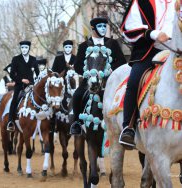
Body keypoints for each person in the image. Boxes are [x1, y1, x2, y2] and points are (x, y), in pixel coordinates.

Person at [119, 0, 175, 149]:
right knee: (134, 82)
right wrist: (154, 34)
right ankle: (128, 127)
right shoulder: (142, 2)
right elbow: (129, 28)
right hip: (150, 51)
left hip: (177, 51)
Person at [70, 17, 126, 135]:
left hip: (110, 81)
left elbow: (121, 61)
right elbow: (77, 66)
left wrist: (110, 70)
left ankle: (127, 124)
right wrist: (88, 72)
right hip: (89, 82)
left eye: (105, 26)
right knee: (77, 95)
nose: (103, 29)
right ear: (93, 28)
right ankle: (77, 123)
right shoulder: (84, 45)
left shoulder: (113, 43)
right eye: (100, 26)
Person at [7, 40, 39, 132]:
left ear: (29, 48)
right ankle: (10, 121)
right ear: (20, 48)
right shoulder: (15, 59)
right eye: (22, 48)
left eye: (26, 47)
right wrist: (21, 80)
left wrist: (36, 81)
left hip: (31, 86)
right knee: (14, 100)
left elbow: (38, 73)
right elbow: (12, 74)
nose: (24, 49)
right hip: (19, 86)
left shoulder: (33, 59)